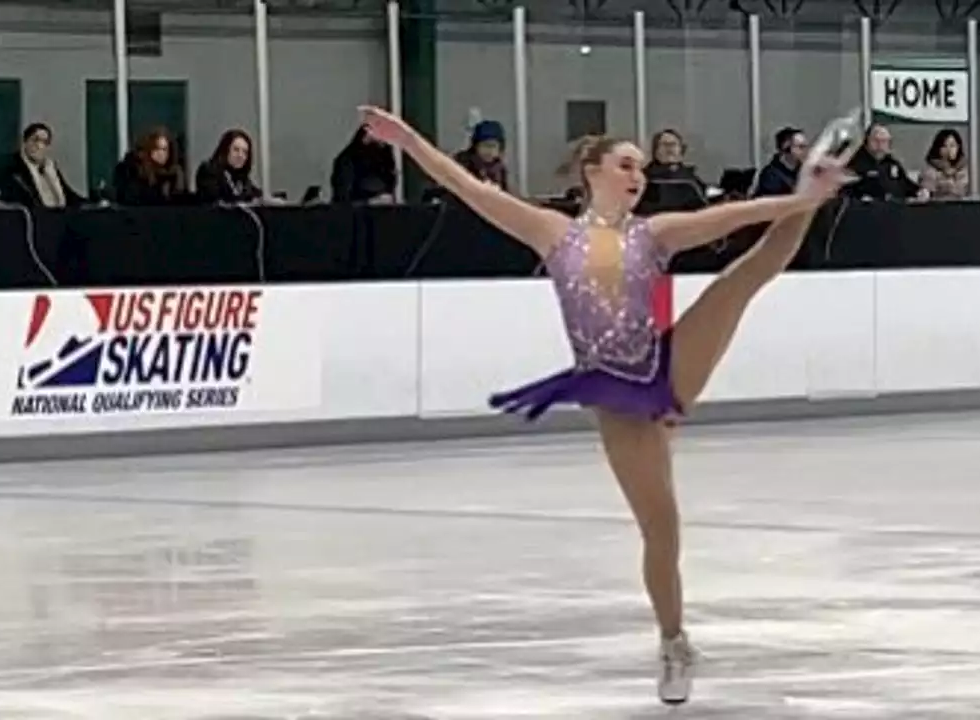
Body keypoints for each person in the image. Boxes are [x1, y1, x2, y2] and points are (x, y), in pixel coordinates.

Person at [358, 104, 855, 706]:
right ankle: (674, 641)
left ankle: (813, 205)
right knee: (662, 526)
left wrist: (800, 199)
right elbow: (463, 185)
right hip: (617, 396)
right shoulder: (552, 232)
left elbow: (730, 215)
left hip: (666, 365)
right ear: (592, 170)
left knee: (742, 279)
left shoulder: (655, 233)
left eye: (641, 168)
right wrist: (407, 138)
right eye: (625, 164)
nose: (637, 175)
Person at [0, 122, 85, 208]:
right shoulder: (13, 169)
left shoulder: (50, 167)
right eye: (35, 140)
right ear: (25, 142)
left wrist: (90, 203)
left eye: (45, 142)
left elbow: (68, 194)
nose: (39, 146)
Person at [845, 123, 928, 201]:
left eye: (884, 141)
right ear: (867, 141)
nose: (880, 145)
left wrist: (920, 191)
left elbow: (906, 185)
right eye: (876, 140)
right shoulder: (855, 164)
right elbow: (846, 191)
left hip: (894, 210)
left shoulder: (892, 164)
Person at [113, 127, 186, 206]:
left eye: (164, 149)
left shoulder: (174, 173)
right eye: (156, 149)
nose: (161, 154)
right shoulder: (132, 171)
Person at [329, 126, 397, 204]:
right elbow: (343, 196)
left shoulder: (385, 155)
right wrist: (369, 202)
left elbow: (390, 181)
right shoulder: (348, 159)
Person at [194, 129, 263, 204]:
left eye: (245, 152)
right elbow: (214, 201)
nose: (240, 155)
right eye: (236, 150)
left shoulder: (241, 178)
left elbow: (256, 195)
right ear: (225, 150)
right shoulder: (209, 170)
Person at [752, 126, 807, 197]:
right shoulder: (771, 175)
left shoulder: (804, 171)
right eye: (801, 147)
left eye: (806, 146)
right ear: (786, 148)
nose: (805, 151)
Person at [918, 128, 970, 200]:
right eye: (944, 146)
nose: (949, 150)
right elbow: (925, 192)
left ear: (958, 147)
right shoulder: (930, 171)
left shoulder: (967, 169)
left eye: (952, 146)